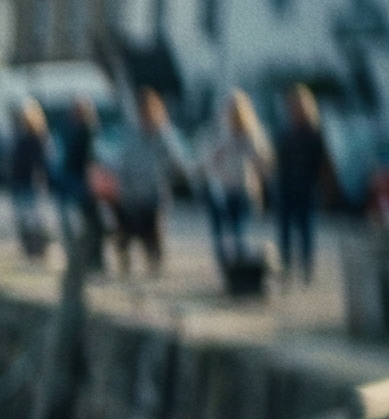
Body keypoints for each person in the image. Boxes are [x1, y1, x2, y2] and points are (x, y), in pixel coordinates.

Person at [108, 90, 189, 277]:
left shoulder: (164, 134)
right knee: (126, 233)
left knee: (152, 235)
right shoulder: (133, 133)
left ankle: (155, 268)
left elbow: (176, 162)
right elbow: (124, 161)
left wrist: (175, 175)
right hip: (132, 194)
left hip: (154, 192)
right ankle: (125, 268)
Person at [203, 88, 273, 278]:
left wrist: (258, 177)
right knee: (220, 234)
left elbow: (263, 162)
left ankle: (240, 274)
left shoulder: (251, 133)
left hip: (242, 190)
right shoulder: (218, 132)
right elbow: (209, 161)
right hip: (220, 190)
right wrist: (221, 171)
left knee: (239, 232)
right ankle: (225, 271)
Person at [274, 84, 333, 285]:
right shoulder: (286, 131)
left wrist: (325, 190)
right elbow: (278, 160)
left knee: (305, 232)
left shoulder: (314, 132)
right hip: (286, 187)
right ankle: (286, 269)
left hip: (306, 188)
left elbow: (322, 164)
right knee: (285, 233)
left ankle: (307, 270)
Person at [56, 97, 104, 267]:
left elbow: (92, 159)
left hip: (84, 181)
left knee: (89, 222)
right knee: (73, 222)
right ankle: (78, 257)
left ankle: (92, 259)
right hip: (70, 180)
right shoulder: (68, 129)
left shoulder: (89, 132)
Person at [6, 100, 52, 259]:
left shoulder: (39, 138)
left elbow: (42, 163)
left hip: (31, 183)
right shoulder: (18, 135)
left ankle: (39, 250)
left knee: (35, 219)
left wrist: (41, 180)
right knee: (23, 219)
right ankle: (28, 250)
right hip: (18, 182)